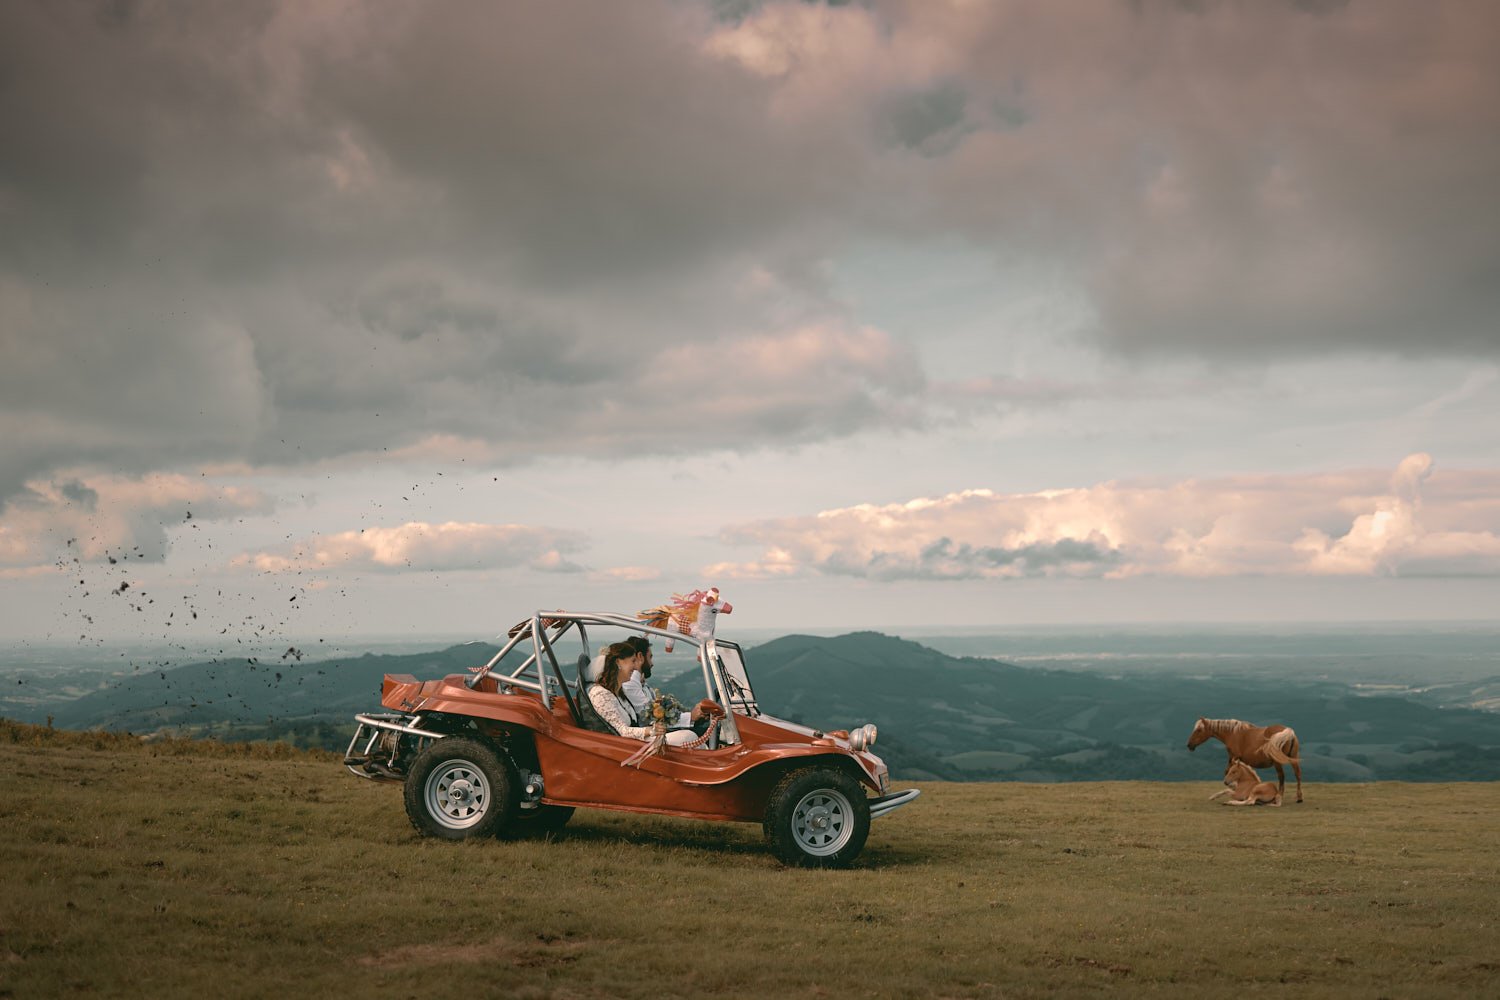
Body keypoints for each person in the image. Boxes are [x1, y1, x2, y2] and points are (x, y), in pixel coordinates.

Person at [587, 642, 719, 746]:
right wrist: (651, 730)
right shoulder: (601, 694)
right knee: (687, 736)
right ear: (618, 663)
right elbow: (621, 731)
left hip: (636, 740)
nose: (636, 666)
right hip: (627, 746)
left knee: (691, 735)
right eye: (632, 661)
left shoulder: (618, 693)